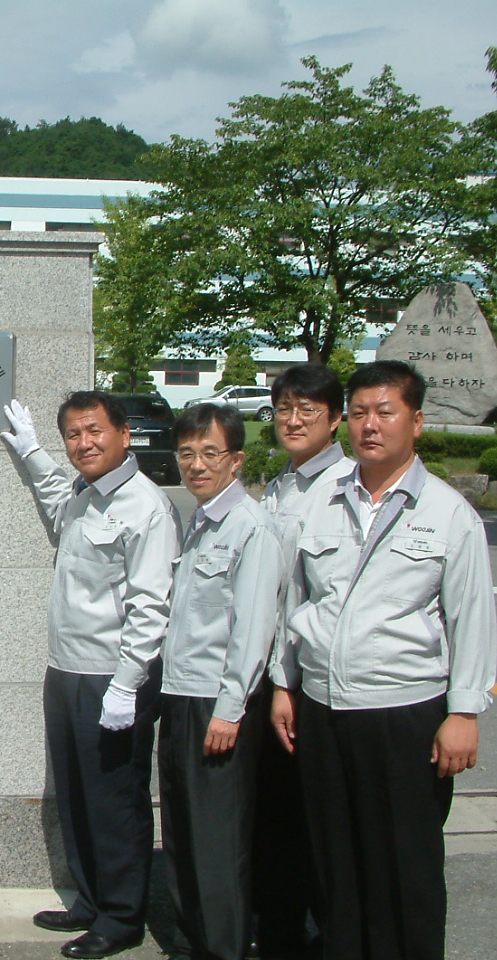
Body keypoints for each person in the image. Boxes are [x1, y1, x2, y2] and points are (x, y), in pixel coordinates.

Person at [270, 360, 497, 960]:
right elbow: (298, 598)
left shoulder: (450, 515)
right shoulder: (324, 500)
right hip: (322, 708)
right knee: (334, 862)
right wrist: (284, 685)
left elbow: (472, 619)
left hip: (404, 714)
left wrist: (465, 712)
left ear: (416, 421)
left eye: (386, 412)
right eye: (363, 413)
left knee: (405, 865)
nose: (371, 426)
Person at [1, 392, 180, 960]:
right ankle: (90, 898)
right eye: (74, 434)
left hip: (112, 677)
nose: (85, 443)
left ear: (124, 434)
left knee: (115, 798)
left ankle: (122, 916)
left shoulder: (146, 506)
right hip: (67, 671)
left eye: (95, 431)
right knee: (77, 792)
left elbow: (151, 605)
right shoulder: (83, 495)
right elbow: (57, 496)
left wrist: (127, 684)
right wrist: (31, 451)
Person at [159, 402, 283, 960]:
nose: (197, 464)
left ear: (236, 459)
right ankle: (192, 942)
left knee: (218, 841)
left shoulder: (250, 527)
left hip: (219, 705)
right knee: (183, 831)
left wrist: (230, 709)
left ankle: (225, 948)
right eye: (187, 453)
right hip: (182, 697)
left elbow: (253, 629)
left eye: (210, 453)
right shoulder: (201, 518)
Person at [254, 363, 354, 959]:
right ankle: (282, 926)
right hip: (269, 670)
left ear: (335, 419)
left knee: (316, 813)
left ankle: (322, 928)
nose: (292, 420)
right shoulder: (282, 483)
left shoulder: (343, 484)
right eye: (284, 409)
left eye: (307, 411)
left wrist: (288, 679)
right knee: (279, 809)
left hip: (309, 676)